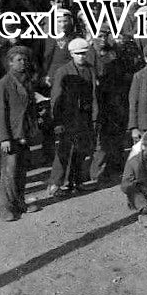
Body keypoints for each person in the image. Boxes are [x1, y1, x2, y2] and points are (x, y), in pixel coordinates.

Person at [0, 46, 42, 221]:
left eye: (25, 59)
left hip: (24, 133)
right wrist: (4, 138)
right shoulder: (4, 83)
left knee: (21, 171)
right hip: (11, 135)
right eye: (19, 60)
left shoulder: (27, 81)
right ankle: (6, 208)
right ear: (10, 63)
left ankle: (19, 202)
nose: (23, 62)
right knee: (9, 172)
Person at [48, 38, 98, 196]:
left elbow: (94, 94)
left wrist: (94, 116)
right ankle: (55, 184)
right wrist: (57, 121)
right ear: (71, 54)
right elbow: (56, 98)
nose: (82, 56)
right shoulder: (63, 71)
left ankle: (76, 182)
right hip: (68, 118)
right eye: (78, 54)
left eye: (84, 53)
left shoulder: (90, 69)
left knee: (81, 150)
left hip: (84, 117)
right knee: (64, 151)